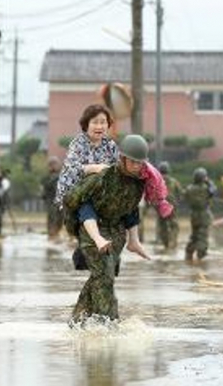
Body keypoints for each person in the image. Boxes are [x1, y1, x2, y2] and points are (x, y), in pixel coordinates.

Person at [56, 103, 172, 252]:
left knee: (129, 197)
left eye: (103, 122)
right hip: (77, 192)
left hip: (100, 189)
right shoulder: (78, 144)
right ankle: (97, 238)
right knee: (86, 206)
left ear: (108, 125)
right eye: (95, 122)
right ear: (86, 125)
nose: (99, 126)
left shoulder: (109, 144)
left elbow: (119, 165)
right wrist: (94, 168)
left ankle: (134, 241)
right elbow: (71, 169)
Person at [63, 135, 152, 325]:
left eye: (140, 162)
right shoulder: (103, 177)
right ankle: (109, 325)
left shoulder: (138, 183)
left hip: (116, 233)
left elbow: (131, 210)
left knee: (102, 275)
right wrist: (79, 227)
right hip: (92, 229)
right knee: (105, 277)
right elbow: (71, 200)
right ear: (123, 158)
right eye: (133, 161)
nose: (137, 165)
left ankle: (77, 321)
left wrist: (133, 241)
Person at [184, 167, 217, 260]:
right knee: (203, 236)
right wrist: (208, 181)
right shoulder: (206, 188)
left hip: (193, 215)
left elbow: (185, 197)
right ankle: (201, 256)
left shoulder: (189, 188)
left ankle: (189, 253)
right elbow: (213, 190)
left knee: (194, 235)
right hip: (204, 215)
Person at [156, 161, 184, 250]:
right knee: (174, 225)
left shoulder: (156, 181)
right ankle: (173, 242)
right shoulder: (174, 181)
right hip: (171, 206)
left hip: (160, 206)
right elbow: (180, 193)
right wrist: (177, 202)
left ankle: (166, 243)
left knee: (162, 225)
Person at [41, 156, 64, 240]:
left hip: (61, 201)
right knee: (52, 218)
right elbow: (45, 188)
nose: (54, 166)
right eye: (51, 164)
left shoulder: (62, 174)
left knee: (60, 218)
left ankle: (57, 232)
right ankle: (52, 234)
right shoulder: (47, 177)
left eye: (55, 164)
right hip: (51, 200)